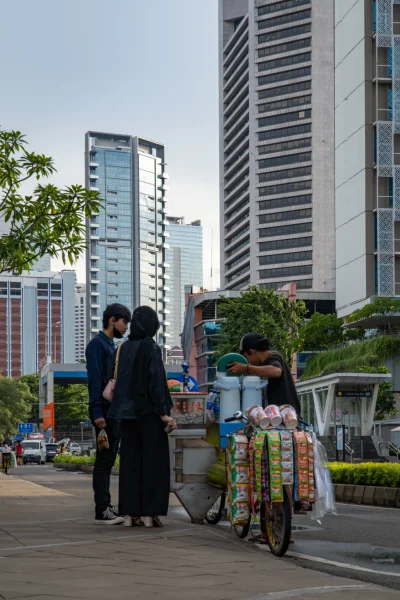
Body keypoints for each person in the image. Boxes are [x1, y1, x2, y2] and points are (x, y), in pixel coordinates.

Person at [107, 306, 176, 528]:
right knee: (153, 465)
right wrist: (164, 414)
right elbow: (155, 382)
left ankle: (129, 514)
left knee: (130, 465)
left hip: (126, 415)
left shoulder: (123, 348)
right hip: (149, 415)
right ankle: (149, 514)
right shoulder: (151, 348)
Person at [86, 303, 131, 525]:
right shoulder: (97, 345)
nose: (126, 328)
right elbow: (95, 381)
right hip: (103, 412)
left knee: (109, 458)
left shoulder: (111, 346)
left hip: (112, 411)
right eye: (124, 323)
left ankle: (105, 506)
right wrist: (96, 412)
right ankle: (102, 509)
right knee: (104, 461)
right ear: (112, 320)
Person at [227, 333, 301, 415]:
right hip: (275, 418)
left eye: (246, 357)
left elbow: (276, 372)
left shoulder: (274, 356)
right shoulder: (262, 366)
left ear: (252, 351)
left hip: (288, 417)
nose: (248, 361)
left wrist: (246, 368)